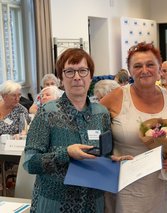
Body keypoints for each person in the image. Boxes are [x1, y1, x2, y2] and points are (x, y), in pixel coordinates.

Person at [24, 48, 116, 213]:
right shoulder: (47, 112)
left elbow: (105, 154)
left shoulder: (101, 113)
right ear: (61, 78)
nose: (77, 77)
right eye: (69, 72)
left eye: (82, 71)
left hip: (93, 204)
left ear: (90, 76)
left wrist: (113, 160)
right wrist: (65, 153)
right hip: (55, 204)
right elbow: (30, 163)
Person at [100, 42, 167, 213]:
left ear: (160, 69)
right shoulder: (115, 98)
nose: (145, 70)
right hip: (126, 188)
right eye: (137, 66)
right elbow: (92, 131)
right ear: (129, 71)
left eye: (150, 64)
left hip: (162, 184)